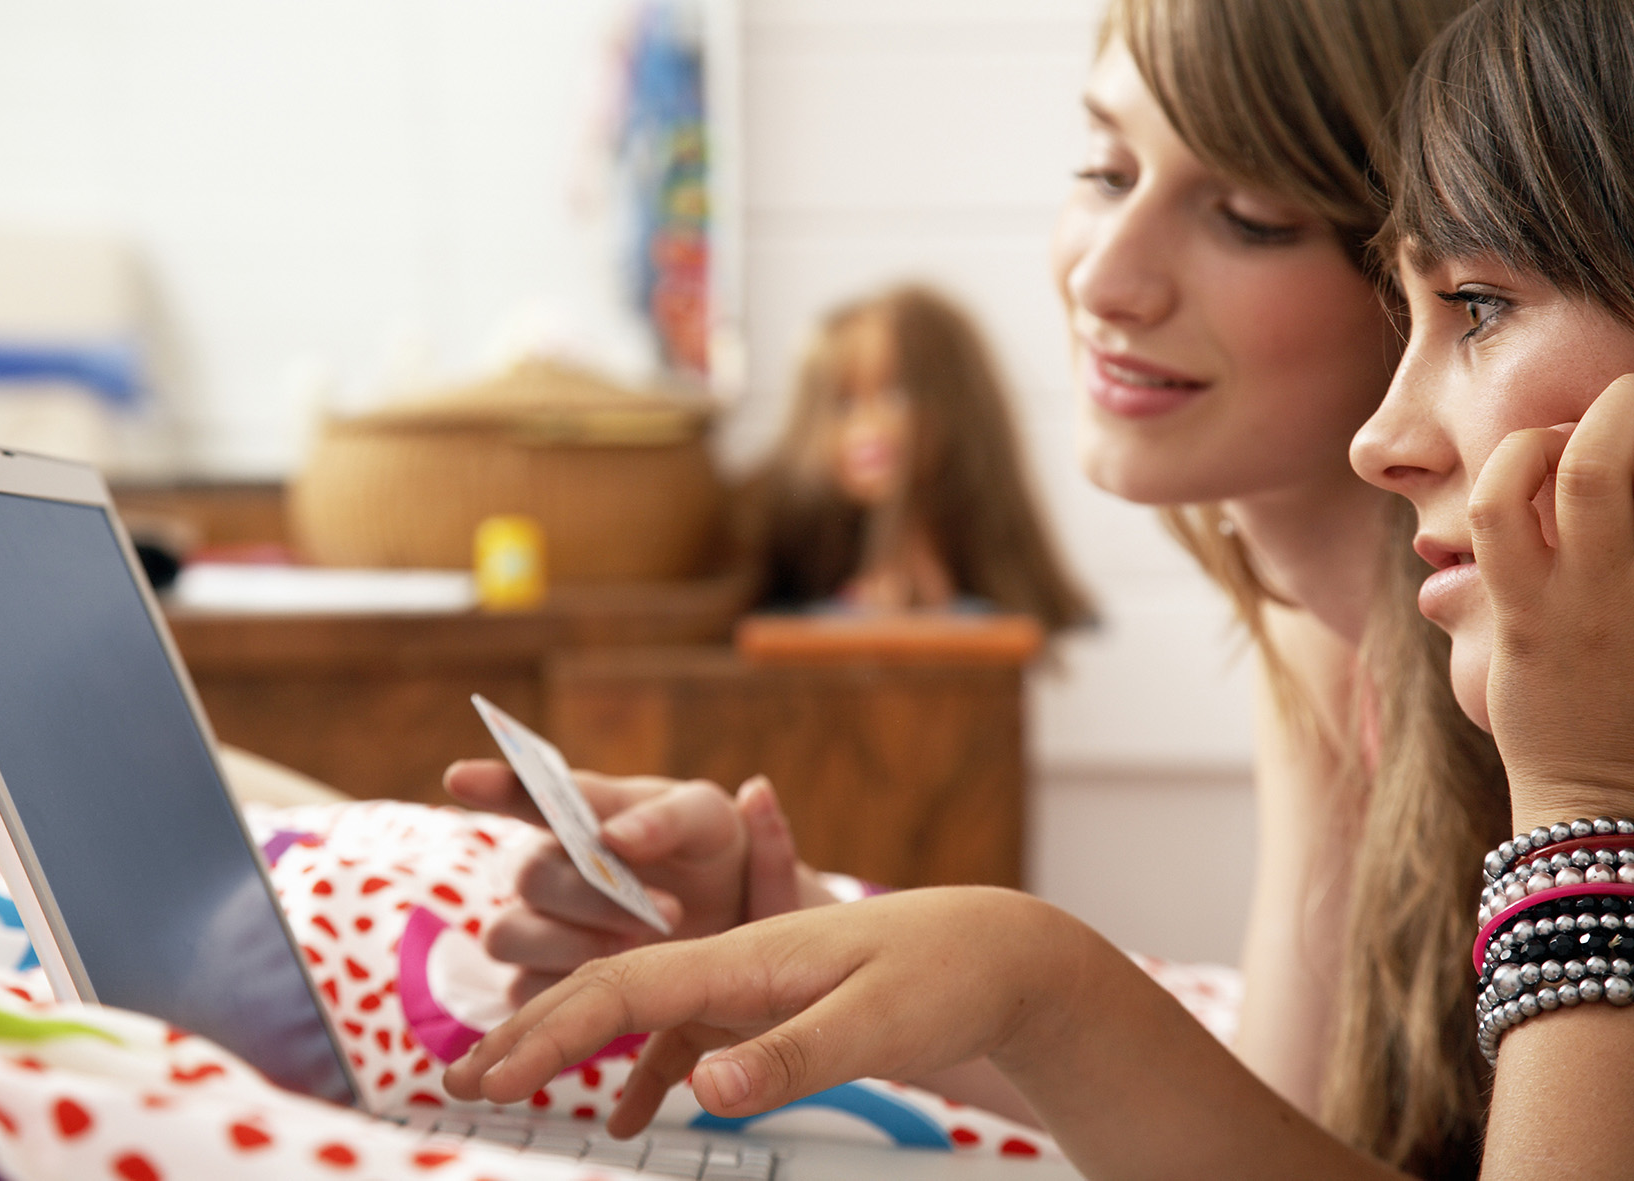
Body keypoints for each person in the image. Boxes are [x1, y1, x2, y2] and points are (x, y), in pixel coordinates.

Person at [443, 3, 1634, 1172]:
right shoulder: (1318, 627)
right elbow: (1288, 1127)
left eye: (1248, 216)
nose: (1105, 278)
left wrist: (1039, 978)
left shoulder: (1549, 692)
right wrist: (800, 937)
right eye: (1103, 169)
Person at [739, 283, 1095, 626]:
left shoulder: (978, 581)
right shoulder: (788, 558)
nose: (868, 426)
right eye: (844, 404)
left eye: (896, 396)